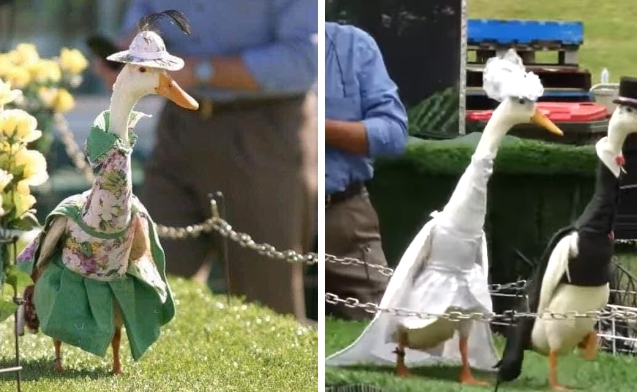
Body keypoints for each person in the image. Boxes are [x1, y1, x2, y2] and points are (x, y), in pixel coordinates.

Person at [92, 1, 318, 323]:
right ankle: (132, 367)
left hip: (264, 131)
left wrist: (197, 70)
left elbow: (304, 61)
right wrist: (134, 49)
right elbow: (149, 14)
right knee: (141, 271)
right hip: (179, 125)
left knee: (266, 304)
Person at [324, 21, 408, 321]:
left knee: (384, 330)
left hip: (341, 214)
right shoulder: (252, 41)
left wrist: (319, 127)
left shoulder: (354, 45)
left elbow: (394, 132)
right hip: (266, 207)